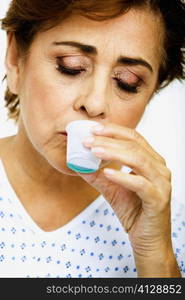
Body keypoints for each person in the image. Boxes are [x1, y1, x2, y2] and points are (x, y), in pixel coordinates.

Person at [0, 0, 184, 278]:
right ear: (15, 60)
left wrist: (157, 259)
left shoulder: (170, 231)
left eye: (127, 81)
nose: (96, 103)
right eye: (70, 66)